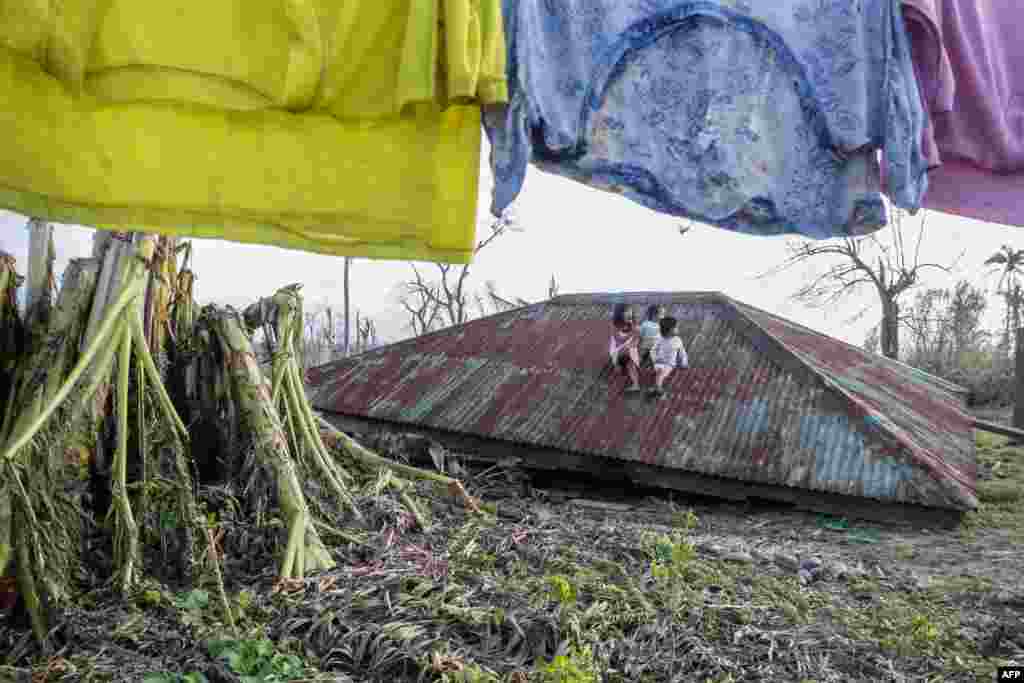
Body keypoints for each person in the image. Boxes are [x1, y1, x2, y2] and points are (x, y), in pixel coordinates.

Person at [649, 316, 688, 396]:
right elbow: (653, 350)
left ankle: (657, 387)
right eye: (676, 327)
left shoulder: (677, 340)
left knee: (661, 372)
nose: (678, 329)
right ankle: (657, 387)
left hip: (670, 364)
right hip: (659, 362)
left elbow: (682, 353)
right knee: (659, 370)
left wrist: (684, 363)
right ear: (669, 330)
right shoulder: (660, 339)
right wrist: (655, 359)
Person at [609, 303, 642, 393]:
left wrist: (635, 331)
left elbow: (635, 342)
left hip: (629, 352)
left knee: (631, 363)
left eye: (630, 311)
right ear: (620, 314)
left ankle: (636, 385)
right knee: (621, 362)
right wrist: (632, 332)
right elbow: (619, 340)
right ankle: (617, 365)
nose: (629, 313)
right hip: (618, 351)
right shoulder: (615, 327)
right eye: (626, 311)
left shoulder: (634, 326)